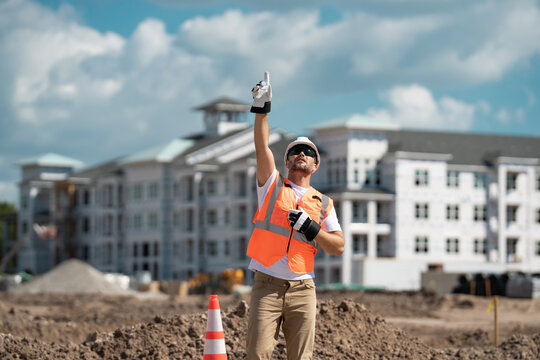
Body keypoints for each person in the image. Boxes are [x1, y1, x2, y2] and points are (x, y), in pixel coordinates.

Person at [246, 72, 345, 360]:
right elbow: (261, 147)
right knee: (257, 354)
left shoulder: (324, 203)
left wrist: (312, 229)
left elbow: (338, 247)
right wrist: (262, 108)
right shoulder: (272, 185)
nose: (301, 153)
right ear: (287, 161)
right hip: (267, 285)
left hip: (304, 289)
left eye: (307, 152)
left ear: (315, 165)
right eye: (295, 151)